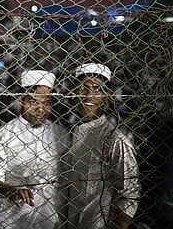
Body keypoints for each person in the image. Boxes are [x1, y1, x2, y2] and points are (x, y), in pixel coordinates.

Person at [60, 63, 141, 229]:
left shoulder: (115, 139)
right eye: (83, 88)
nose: (89, 95)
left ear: (107, 96)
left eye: (97, 89)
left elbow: (129, 193)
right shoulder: (68, 133)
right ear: (73, 93)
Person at [0, 69, 63, 229]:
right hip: (11, 218)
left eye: (46, 102)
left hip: (48, 218)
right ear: (22, 100)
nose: (40, 109)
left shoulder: (60, 134)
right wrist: (12, 191)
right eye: (34, 101)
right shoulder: (4, 134)